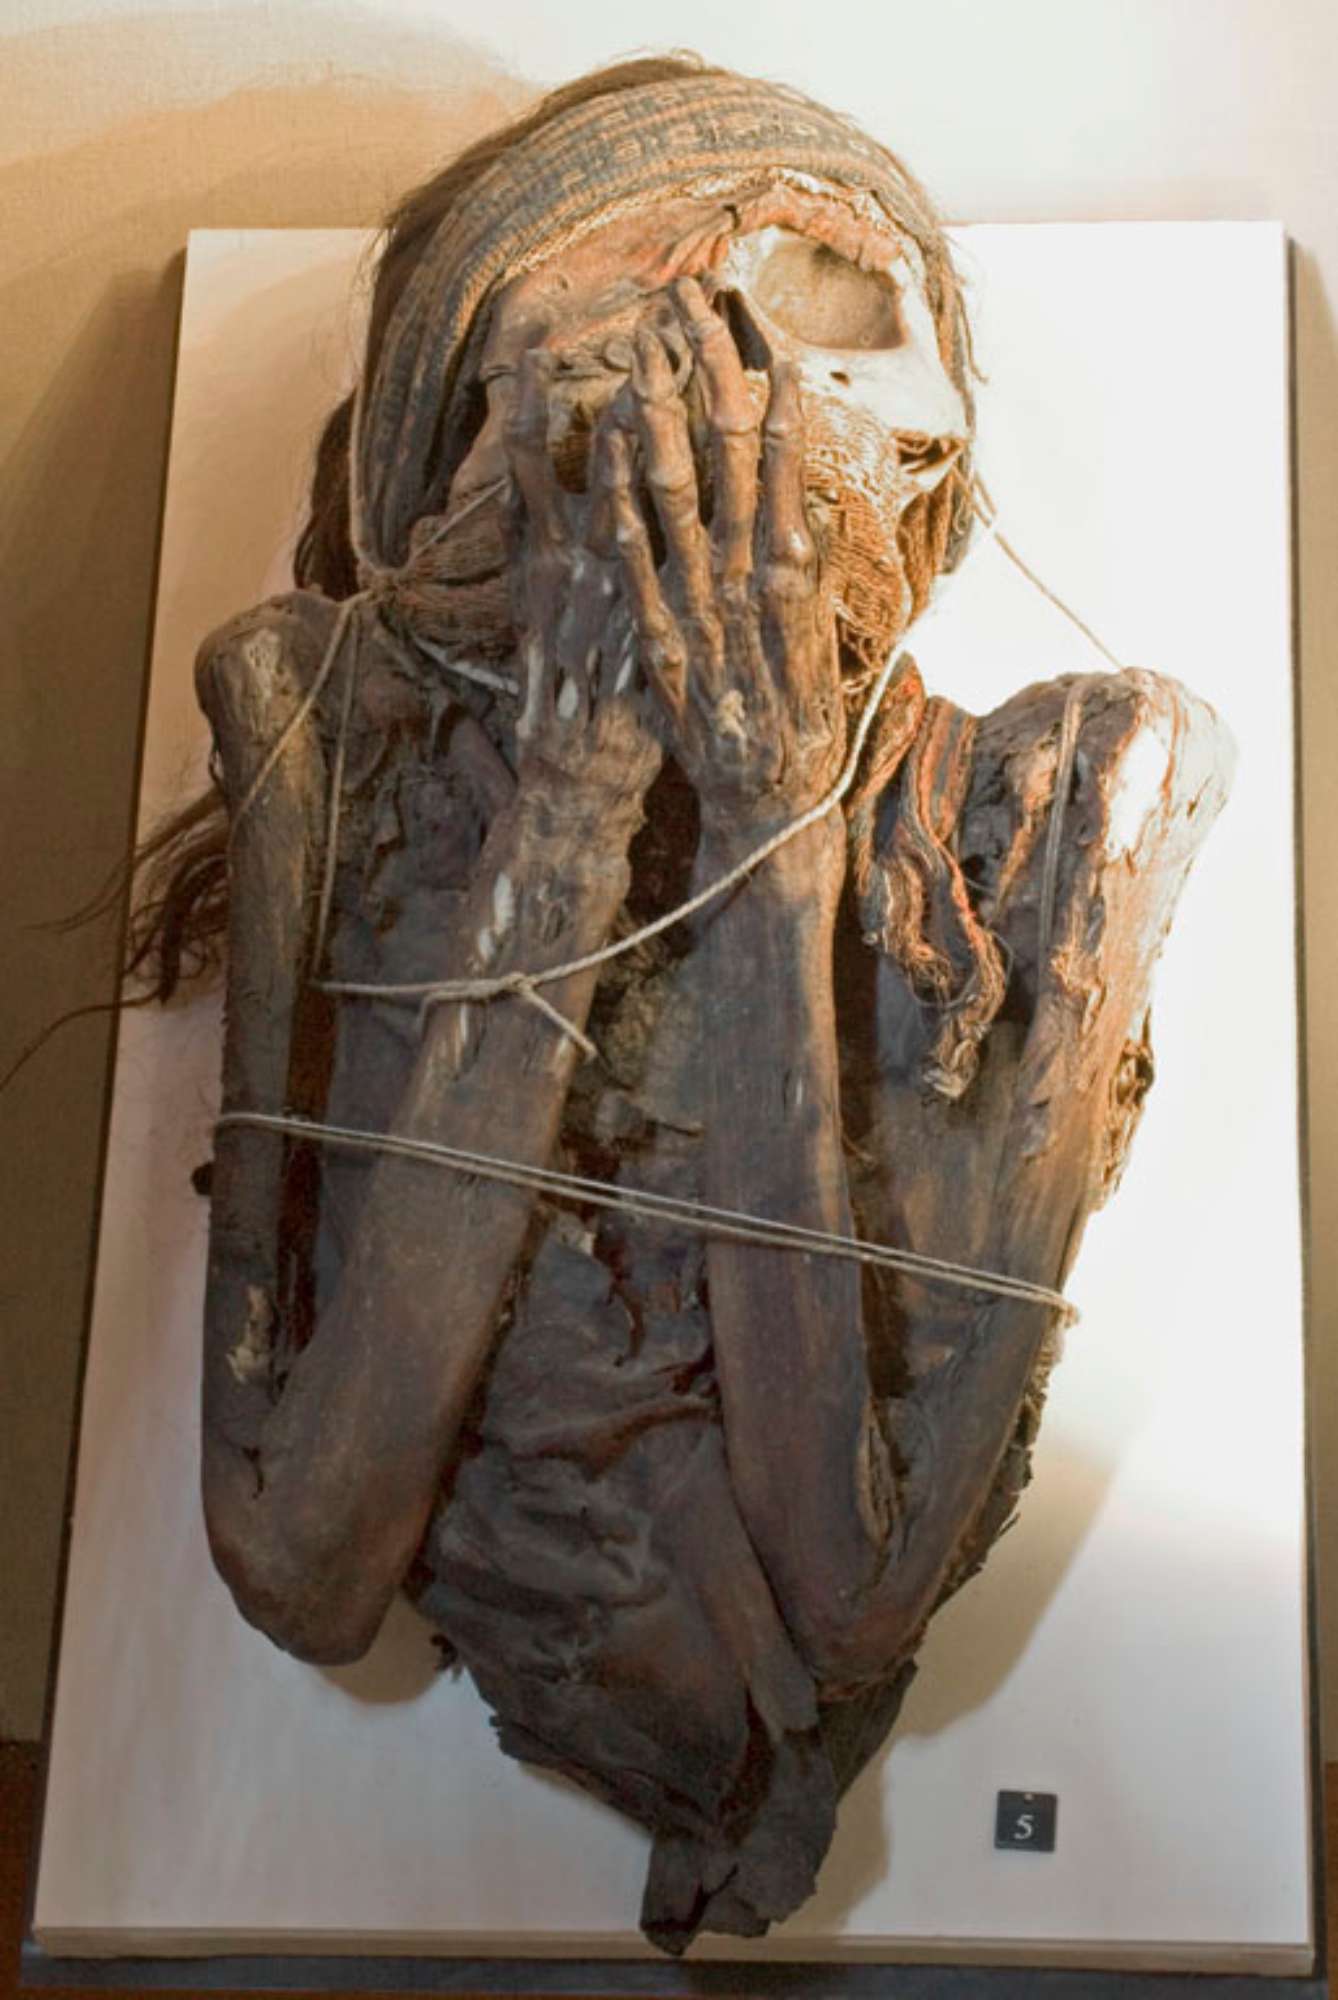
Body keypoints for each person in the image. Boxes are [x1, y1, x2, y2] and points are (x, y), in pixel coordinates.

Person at [146, 56, 1230, 1951]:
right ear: (462, 439)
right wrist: (569, 806)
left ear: (933, 445)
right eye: (631, 340)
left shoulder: (1058, 799)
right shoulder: (323, 725)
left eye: (825, 327)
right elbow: (307, 1566)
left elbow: (849, 1592)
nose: (741, 409)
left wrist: (769, 817)